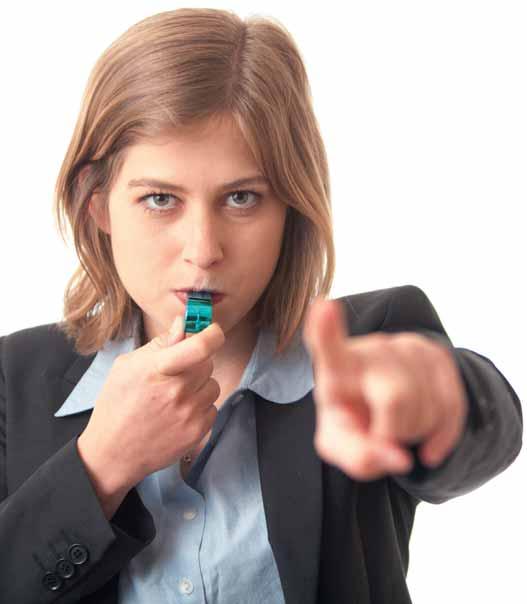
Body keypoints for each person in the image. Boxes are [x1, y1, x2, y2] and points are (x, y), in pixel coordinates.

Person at [0, 8, 522, 604]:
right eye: (161, 199)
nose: (204, 250)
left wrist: (439, 398)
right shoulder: (14, 379)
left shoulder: (367, 343)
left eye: (242, 198)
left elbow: (487, 432)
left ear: (290, 209)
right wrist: (100, 467)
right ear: (97, 204)